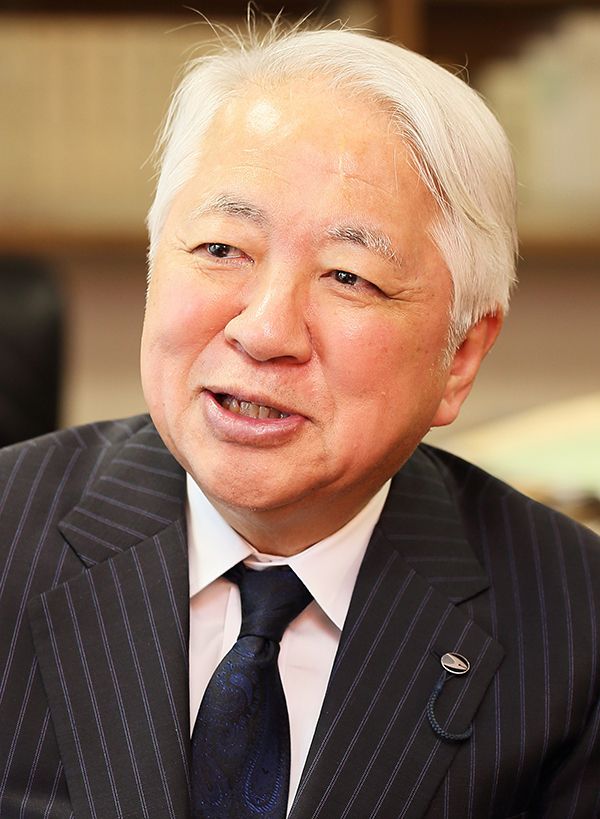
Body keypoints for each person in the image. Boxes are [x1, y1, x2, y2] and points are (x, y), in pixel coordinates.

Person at [0, 23, 598, 819]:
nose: (265, 330)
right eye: (221, 249)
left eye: (349, 276)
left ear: (459, 356)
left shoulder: (577, 633)